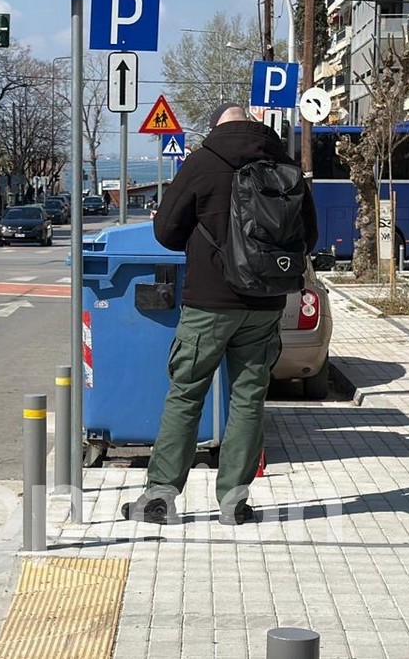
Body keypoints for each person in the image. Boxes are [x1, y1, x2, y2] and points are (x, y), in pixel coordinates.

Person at [121, 103, 318, 526]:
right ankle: (235, 502)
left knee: (186, 394)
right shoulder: (286, 166)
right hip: (265, 304)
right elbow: (310, 236)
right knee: (248, 400)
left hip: (208, 303)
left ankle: (160, 498)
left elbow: (165, 231)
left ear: (215, 128)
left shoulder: (203, 163)